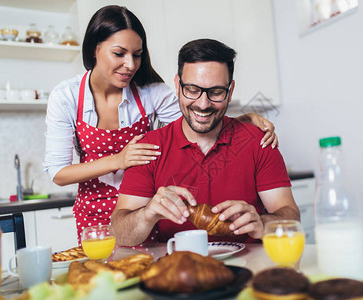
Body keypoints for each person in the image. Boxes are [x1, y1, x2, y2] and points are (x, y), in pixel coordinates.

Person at [44, 6, 278, 244]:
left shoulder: (150, 92)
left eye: (137, 55)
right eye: (119, 53)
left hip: (142, 209)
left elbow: (197, 115)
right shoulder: (67, 96)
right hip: (95, 211)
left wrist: (241, 122)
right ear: (95, 48)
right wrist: (118, 160)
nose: (131, 65)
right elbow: (58, 173)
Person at [112, 38, 300, 247]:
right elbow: (119, 234)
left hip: (250, 267)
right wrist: (147, 214)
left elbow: (291, 217)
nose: (203, 104)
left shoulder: (258, 141)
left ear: (230, 91)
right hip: (176, 270)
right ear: (177, 85)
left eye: (216, 92)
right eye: (192, 90)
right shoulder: (149, 148)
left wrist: (263, 223)